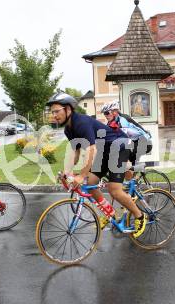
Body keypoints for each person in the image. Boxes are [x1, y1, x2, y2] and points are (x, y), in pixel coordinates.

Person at [47, 92, 147, 237]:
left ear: (68, 109)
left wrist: (81, 175)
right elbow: (75, 152)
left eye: (57, 111)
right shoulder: (68, 129)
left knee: (114, 190)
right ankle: (111, 213)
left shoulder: (81, 122)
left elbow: (91, 150)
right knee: (92, 183)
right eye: (52, 112)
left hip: (119, 146)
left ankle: (140, 216)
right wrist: (67, 172)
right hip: (105, 152)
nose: (54, 115)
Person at [100, 101, 152, 180]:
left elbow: (122, 139)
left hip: (144, 143)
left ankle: (136, 174)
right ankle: (133, 183)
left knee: (122, 158)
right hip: (134, 143)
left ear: (114, 112)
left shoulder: (123, 120)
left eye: (107, 113)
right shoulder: (111, 123)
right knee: (126, 169)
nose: (105, 116)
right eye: (104, 114)